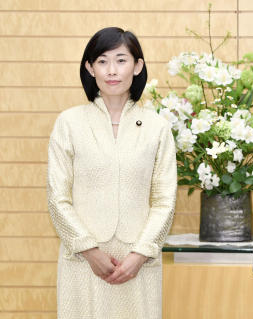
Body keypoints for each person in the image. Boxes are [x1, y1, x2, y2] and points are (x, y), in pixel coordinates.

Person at [47, 27, 177, 319]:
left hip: (138, 264)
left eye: (121, 60)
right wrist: (89, 250)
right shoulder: (69, 123)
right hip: (83, 261)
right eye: (102, 61)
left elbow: (164, 200)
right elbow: (57, 197)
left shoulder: (157, 127)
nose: (112, 71)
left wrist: (140, 254)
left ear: (138, 65)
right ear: (90, 68)